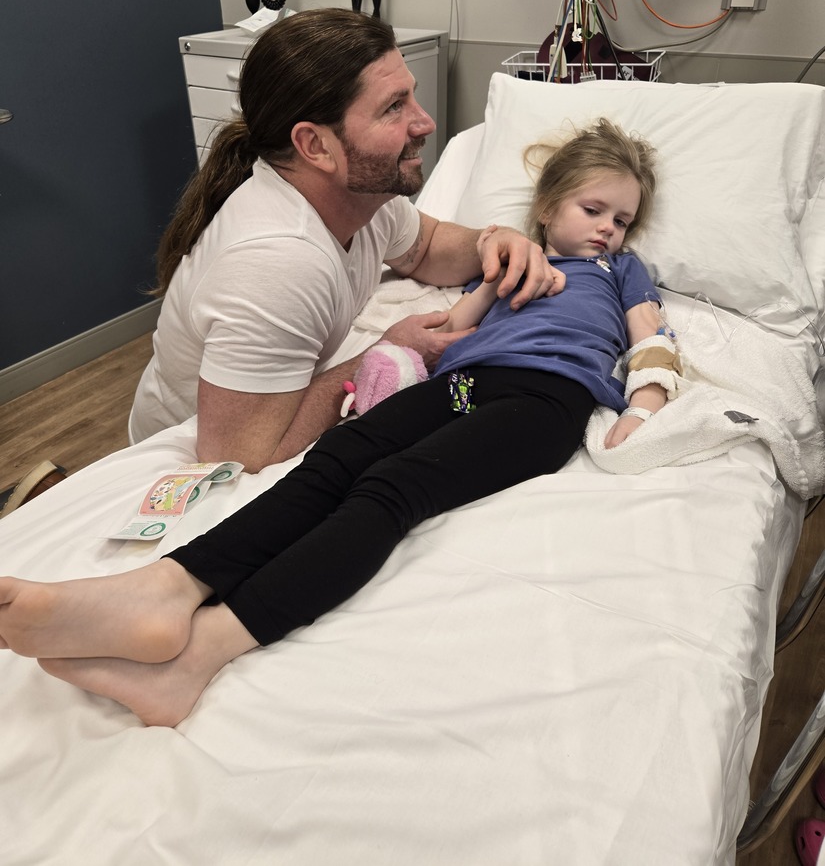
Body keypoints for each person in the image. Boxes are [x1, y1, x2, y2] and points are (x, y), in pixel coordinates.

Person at [0, 118, 680, 729]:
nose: (606, 228)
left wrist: (643, 404)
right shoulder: (506, 267)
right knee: (341, 454)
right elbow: (450, 326)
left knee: (394, 488)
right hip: (471, 387)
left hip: (544, 402)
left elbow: (649, 339)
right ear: (545, 208)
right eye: (593, 209)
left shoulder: (620, 270)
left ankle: (199, 654)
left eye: (620, 219)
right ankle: (165, 588)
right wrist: (408, 344)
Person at [129, 8, 560, 472]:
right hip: (182, 459)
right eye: (394, 107)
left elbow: (425, 247)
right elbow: (238, 455)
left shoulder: (364, 198)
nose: (425, 123)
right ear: (315, 146)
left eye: (411, 97)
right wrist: (386, 354)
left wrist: (493, 241)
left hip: (265, 407)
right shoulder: (279, 261)